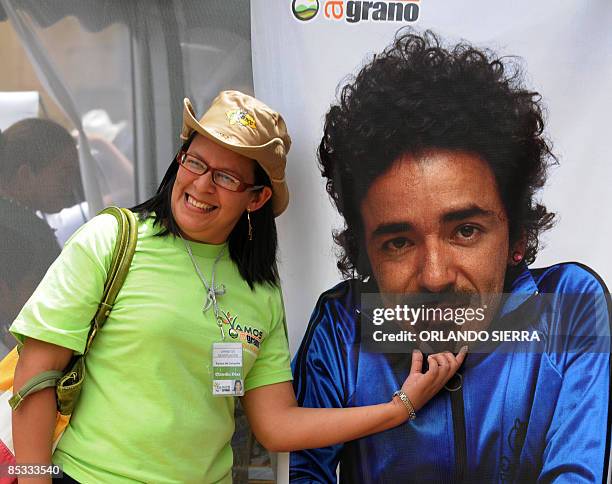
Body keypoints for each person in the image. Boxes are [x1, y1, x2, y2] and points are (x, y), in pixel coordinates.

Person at [10, 91, 465, 484]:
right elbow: (37, 372)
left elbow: (277, 425)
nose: (201, 185)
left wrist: (398, 407)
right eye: (196, 162)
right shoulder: (112, 240)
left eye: (226, 177)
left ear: (257, 198)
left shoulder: (259, 290)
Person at [290, 31, 611, 482]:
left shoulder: (566, 307)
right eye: (399, 242)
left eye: (465, 230)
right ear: (365, 256)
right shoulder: (344, 324)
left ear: (516, 235)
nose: (436, 277)